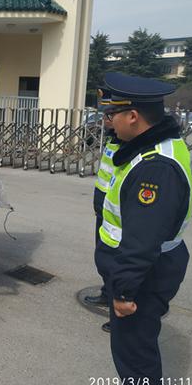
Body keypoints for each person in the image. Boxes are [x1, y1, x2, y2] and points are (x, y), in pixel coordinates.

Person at [95, 72, 192, 385]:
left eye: (113, 114)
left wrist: (123, 292)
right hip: (146, 268)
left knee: (135, 348)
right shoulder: (153, 147)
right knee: (132, 345)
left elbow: (142, 241)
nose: (109, 122)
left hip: (145, 274)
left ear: (133, 116)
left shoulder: (155, 168)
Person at [85, 88, 122, 333]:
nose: (106, 120)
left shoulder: (129, 143)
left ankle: (119, 315)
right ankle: (107, 294)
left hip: (117, 216)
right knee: (104, 259)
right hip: (104, 211)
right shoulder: (113, 138)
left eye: (109, 115)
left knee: (117, 264)